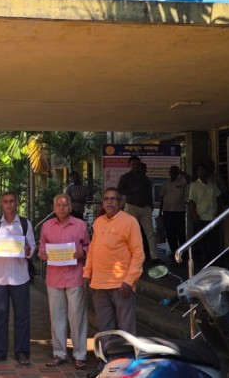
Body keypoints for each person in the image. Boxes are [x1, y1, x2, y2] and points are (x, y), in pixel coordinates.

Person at [84, 188, 144, 376]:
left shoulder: (130, 221)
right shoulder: (98, 222)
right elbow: (92, 250)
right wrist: (87, 273)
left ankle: (129, 367)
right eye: (106, 199)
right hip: (99, 284)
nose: (109, 202)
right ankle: (107, 365)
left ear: (120, 202)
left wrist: (129, 280)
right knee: (104, 329)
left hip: (121, 285)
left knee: (126, 329)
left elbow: (138, 254)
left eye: (113, 199)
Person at [38, 194, 90, 370]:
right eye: (58, 205)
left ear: (70, 207)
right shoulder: (46, 226)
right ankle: (59, 353)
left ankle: (80, 355)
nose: (61, 207)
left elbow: (89, 245)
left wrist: (83, 252)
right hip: (54, 278)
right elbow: (42, 246)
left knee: (77, 317)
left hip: (75, 276)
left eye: (65, 205)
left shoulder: (80, 225)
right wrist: (42, 253)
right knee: (57, 317)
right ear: (54, 208)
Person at [0, 192, 35, 365]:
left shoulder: (25, 224)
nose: (8, 204)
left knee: (22, 316)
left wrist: (28, 250)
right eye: (5, 201)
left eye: (11, 201)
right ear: (1, 204)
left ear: (17, 203)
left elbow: (32, 246)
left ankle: (22, 352)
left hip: (20, 277)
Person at [117, 156, 155, 261]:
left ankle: (154, 256)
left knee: (150, 233)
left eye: (137, 164)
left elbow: (149, 193)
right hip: (132, 206)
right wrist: (132, 190)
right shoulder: (125, 177)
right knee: (129, 232)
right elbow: (119, 191)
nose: (135, 166)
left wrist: (150, 206)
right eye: (133, 164)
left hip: (145, 207)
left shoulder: (144, 178)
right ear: (129, 165)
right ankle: (128, 256)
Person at [187, 164, 222, 268]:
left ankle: (214, 261)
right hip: (201, 217)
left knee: (214, 241)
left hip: (212, 217)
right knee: (203, 242)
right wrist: (194, 216)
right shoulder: (194, 185)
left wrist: (219, 212)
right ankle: (205, 262)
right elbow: (191, 201)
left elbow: (219, 196)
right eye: (199, 170)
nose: (201, 172)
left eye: (203, 170)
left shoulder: (212, 183)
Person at [159, 165, 191, 256]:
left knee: (180, 233)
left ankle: (183, 252)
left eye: (175, 172)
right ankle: (174, 251)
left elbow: (189, 179)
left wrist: (181, 172)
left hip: (179, 211)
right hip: (167, 211)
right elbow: (162, 198)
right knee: (170, 233)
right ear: (169, 173)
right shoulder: (165, 183)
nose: (173, 173)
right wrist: (160, 212)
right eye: (172, 172)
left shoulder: (182, 181)